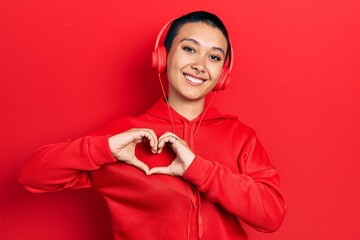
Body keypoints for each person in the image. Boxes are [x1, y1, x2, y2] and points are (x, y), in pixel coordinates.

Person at [19, 10, 287, 240]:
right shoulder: (125, 136)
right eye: (189, 49)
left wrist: (199, 169)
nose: (199, 65)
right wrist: (107, 147)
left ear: (223, 75)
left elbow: (271, 215)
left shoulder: (240, 137)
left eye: (214, 57)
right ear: (163, 56)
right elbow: (33, 176)